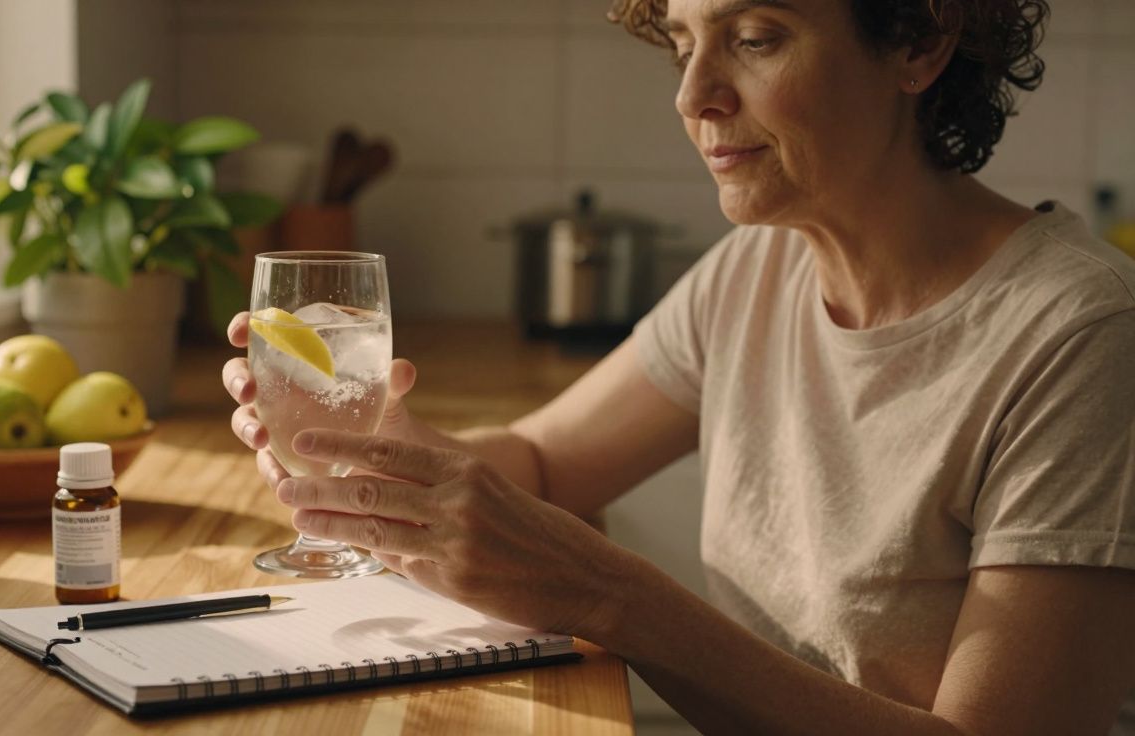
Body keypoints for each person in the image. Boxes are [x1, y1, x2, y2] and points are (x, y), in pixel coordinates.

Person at [222, 0, 1135, 732]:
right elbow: (543, 462)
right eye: (685, 42)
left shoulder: (1081, 336)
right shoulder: (760, 267)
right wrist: (380, 462)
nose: (694, 95)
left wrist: (611, 596)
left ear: (923, 40)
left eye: (755, 38)